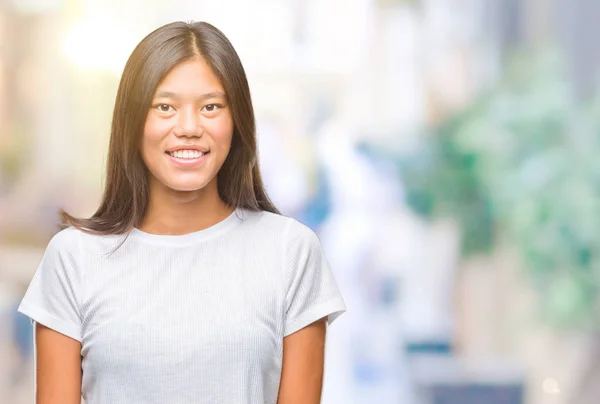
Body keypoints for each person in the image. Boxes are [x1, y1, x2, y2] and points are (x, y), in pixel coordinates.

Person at [16, 21, 346, 404]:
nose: (189, 127)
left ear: (236, 121)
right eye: (165, 107)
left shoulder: (291, 252)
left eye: (210, 106)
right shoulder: (73, 258)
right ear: (133, 120)